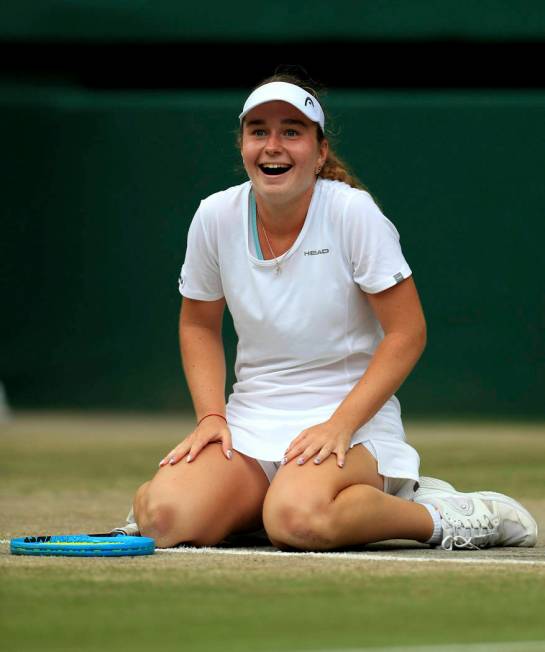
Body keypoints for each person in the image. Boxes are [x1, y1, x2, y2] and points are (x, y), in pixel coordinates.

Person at [115, 73, 537, 552]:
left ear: (319, 152)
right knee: (165, 520)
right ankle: (249, 503)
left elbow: (407, 332)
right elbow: (197, 323)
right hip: (251, 425)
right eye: (259, 131)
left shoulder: (353, 213)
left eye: (292, 131)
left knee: (299, 522)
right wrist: (212, 416)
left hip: (352, 426)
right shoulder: (214, 216)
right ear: (243, 146)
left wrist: (340, 424)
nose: (273, 145)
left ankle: (440, 515)